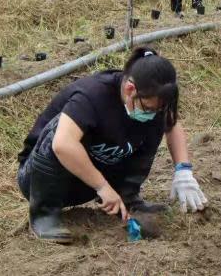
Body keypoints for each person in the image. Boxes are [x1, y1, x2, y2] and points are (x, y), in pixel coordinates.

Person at [17, 46, 208, 243]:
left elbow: (172, 123)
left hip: (88, 181)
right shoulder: (93, 94)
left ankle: (127, 198)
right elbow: (62, 145)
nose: (150, 113)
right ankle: (44, 215)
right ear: (130, 89)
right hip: (39, 180)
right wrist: (102, 187)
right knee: (62, 128)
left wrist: (183, 171)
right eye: (148, 107)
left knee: (156, 119)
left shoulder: (150, 101)